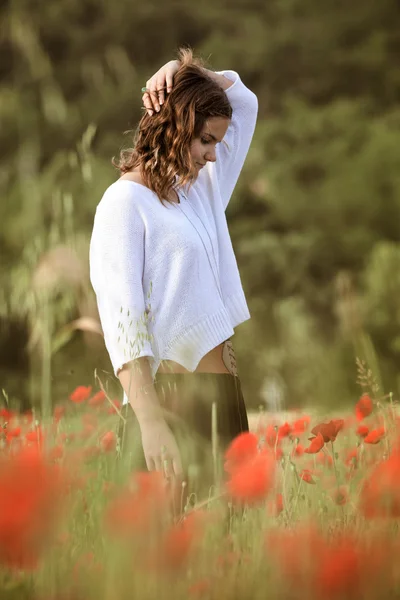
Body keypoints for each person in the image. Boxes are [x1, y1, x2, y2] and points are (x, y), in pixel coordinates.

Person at [89, 46, 258, 514]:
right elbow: (122, 323)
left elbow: (245, 102)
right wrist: (150, 422)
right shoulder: (123, 206)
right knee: (171, 570)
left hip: (224, 399)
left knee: (233, 565)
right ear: (176, 124)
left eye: (217, 144)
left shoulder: (200, 190)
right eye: (205, 140)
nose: (212, 156)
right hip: (171, 405)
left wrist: (187, 72)